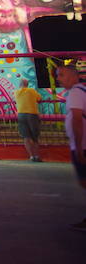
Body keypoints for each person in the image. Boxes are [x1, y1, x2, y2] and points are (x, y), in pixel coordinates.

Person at [55, 63, 86, 231]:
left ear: (74, 76)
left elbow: (77, 120)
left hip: (82, 145)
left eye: (61, 75)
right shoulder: (82, 90)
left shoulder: (75, 93)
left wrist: (80, 148)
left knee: (84, 181)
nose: (58, 79)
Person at [15, 79, 42, 162]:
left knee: (26, 137)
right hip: (32, 114)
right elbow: (39, 99)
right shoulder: (32, 91)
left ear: (20, 84)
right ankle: (36, 155)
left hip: (21, 115)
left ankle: (31, 156)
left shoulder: (16, 92)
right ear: (27, 84)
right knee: (35, 137)